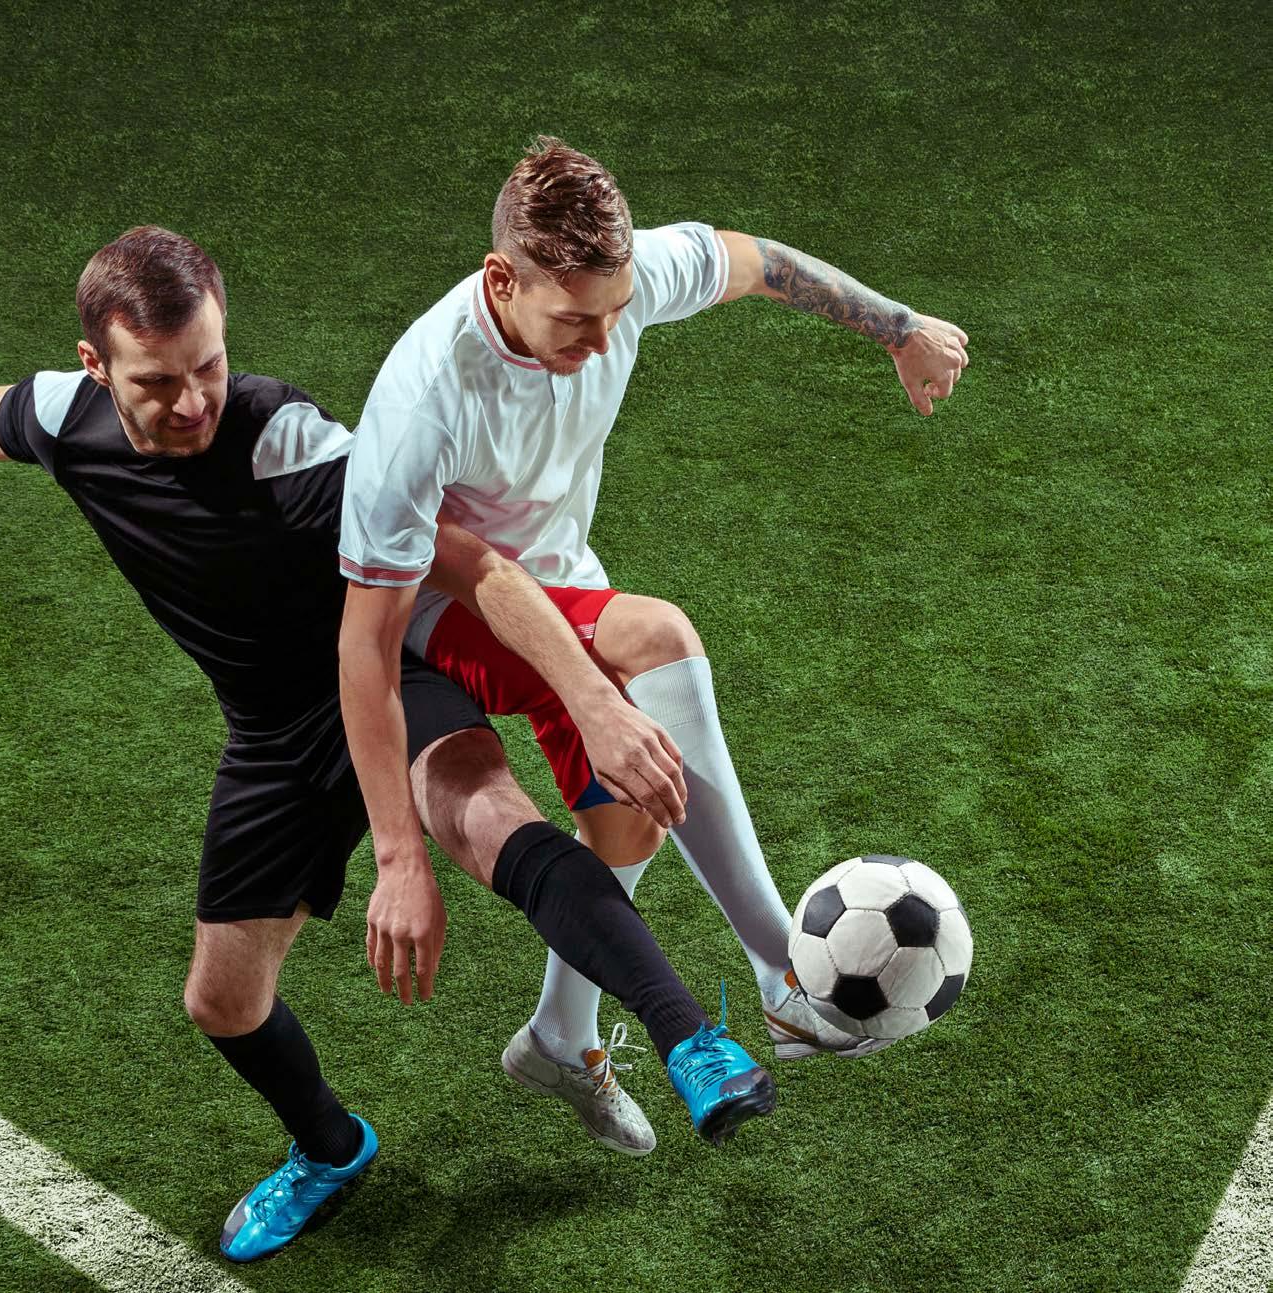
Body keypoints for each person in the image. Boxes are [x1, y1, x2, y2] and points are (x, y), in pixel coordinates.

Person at [0, 227, 777, 1263]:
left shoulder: (289, 443)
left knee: (495, 826)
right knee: (221, 1001)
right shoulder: (61, 419)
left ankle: (691, 1040)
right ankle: (331, 1147)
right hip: (273, 737)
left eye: (208, 366)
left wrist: (584, 702)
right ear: (96, 366)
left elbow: (473, 567)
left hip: (391, 682)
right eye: (157, 382)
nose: (192, 402)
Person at [339, 137, 970, 1152]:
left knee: (629, 820)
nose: (603, 341)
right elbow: (366, 645)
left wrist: (900, 330)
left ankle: (559, 1036)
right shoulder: (424, 405)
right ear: (501, 280)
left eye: (618, 311)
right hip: (433, 614)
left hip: (561, 583)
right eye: (575, 321)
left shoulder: (620, 290)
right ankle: (780, 969)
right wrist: (397, 855)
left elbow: (760, 263)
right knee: (659, 635)